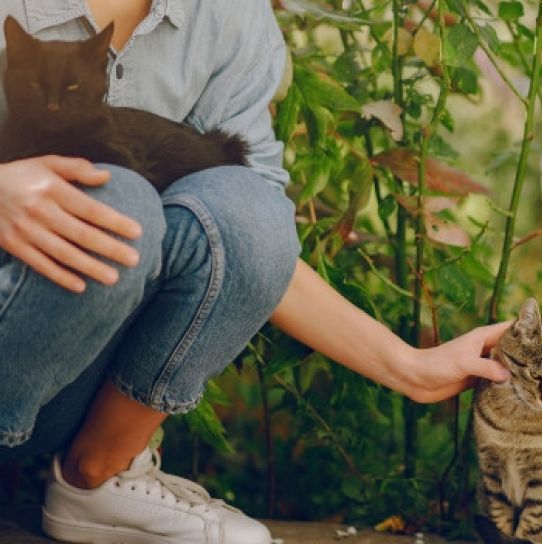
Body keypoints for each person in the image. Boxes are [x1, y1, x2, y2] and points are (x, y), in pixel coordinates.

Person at [0, 1, 511, 542]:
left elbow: (249, 241)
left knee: (246, 204)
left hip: (77, 386)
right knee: (118, 197)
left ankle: (96, 477)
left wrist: (410, 367)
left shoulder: (226, 15)